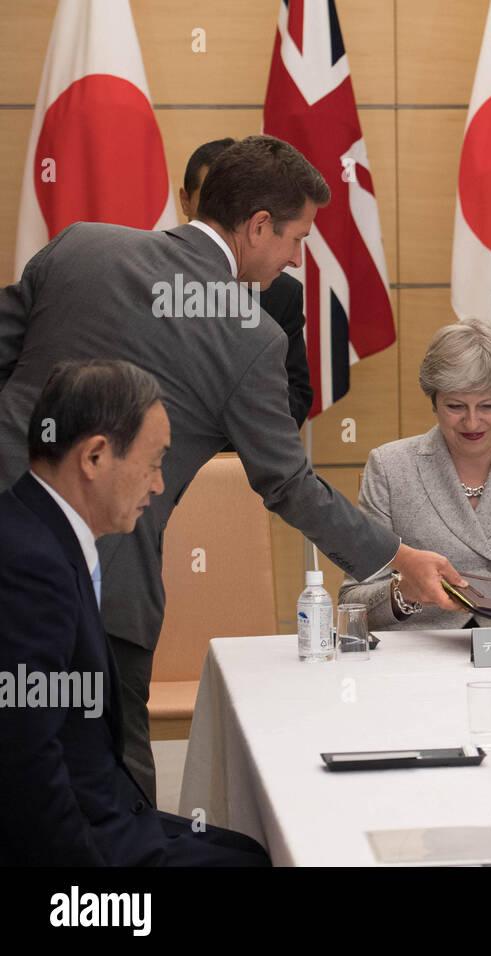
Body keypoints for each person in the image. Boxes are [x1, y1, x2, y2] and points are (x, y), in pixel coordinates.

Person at [0, 134, 465, 803]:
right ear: (255, 227)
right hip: (103, 592)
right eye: (295, 239)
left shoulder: (80, 246)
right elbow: (288, 484)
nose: (295, 258)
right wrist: (396, 557)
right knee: (112, 796)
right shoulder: (249, 338)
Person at [0, 360, 270, 864]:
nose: (159, 485)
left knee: (251, 848)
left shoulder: (40, 530)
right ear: (96, 457)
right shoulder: (30, 564)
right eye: (153, 462)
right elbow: (23, 762)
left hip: (109, 810)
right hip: (86, 844)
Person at [340, 320, 491, 627]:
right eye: (455, 406)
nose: (471, 422)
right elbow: (352, 604)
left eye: (487, 406)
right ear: (434, 402)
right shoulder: (390, 467)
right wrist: (405, 590)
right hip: (418, 661)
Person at [179, 137, 313, 427]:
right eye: (213, 199)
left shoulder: (282, 293)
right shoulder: (155, 276)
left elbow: (296, 398)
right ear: (187, 201)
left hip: (247, 461)